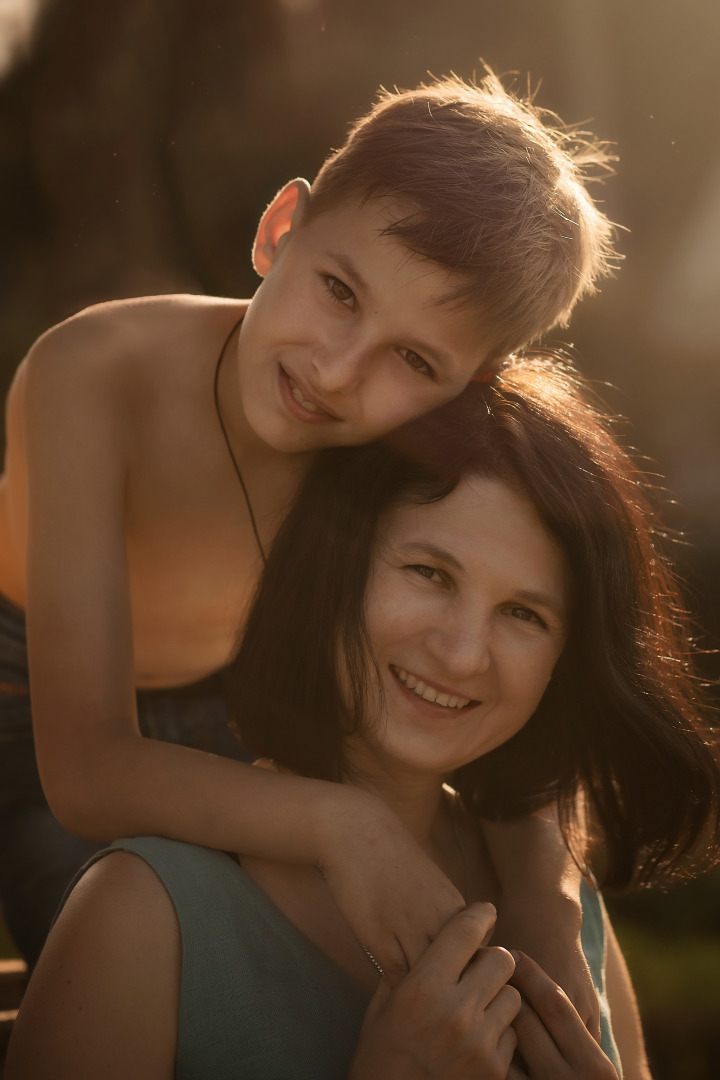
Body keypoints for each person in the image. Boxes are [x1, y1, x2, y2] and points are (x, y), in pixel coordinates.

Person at [0, 71, 616, 990]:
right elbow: (87, 768)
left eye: (414, 358)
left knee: (337, 983)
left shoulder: (415, 441)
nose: (336, 372)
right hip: (28, 695)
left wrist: (547, 908)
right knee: (137, 974)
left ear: (472, 383)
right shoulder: (97, 371)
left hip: (240, 700)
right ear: (280, 228)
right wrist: (339, 822)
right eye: (339, 289)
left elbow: (535, 716)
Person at [7, 357, 719, 1079]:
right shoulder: (141, 913)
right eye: (429, 573)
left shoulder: (561, 918)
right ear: (332, 567)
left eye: (523, 614)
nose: (464, 654)